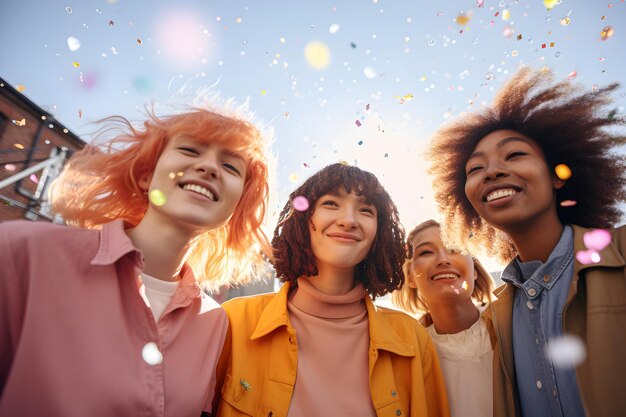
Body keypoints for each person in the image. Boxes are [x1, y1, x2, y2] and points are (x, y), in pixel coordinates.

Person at [0, 107, 271, 417]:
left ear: (238, 206)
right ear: (146, 175)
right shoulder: (23, 252)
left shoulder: (214, 322)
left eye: (230, 166)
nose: (210, 167)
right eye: (189, 149)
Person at [427, 66, 626, 417]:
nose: (492, 172)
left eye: (515, 154)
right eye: (475, 169)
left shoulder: (620, 254)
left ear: (557, 176)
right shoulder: (496, 317)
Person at [216, 163, 450, 417]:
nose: (348, 220)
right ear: (304, 219)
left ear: (378, 234)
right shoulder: (233, 321)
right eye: (331, 204)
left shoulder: (413, 339)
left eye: (365, 210)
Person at [392, 219, 494, 417]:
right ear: (410, 277)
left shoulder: (514, 327)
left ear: (473, 268)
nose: (443, 260)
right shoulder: (407, 358)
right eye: (426, 252)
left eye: (453, 248)